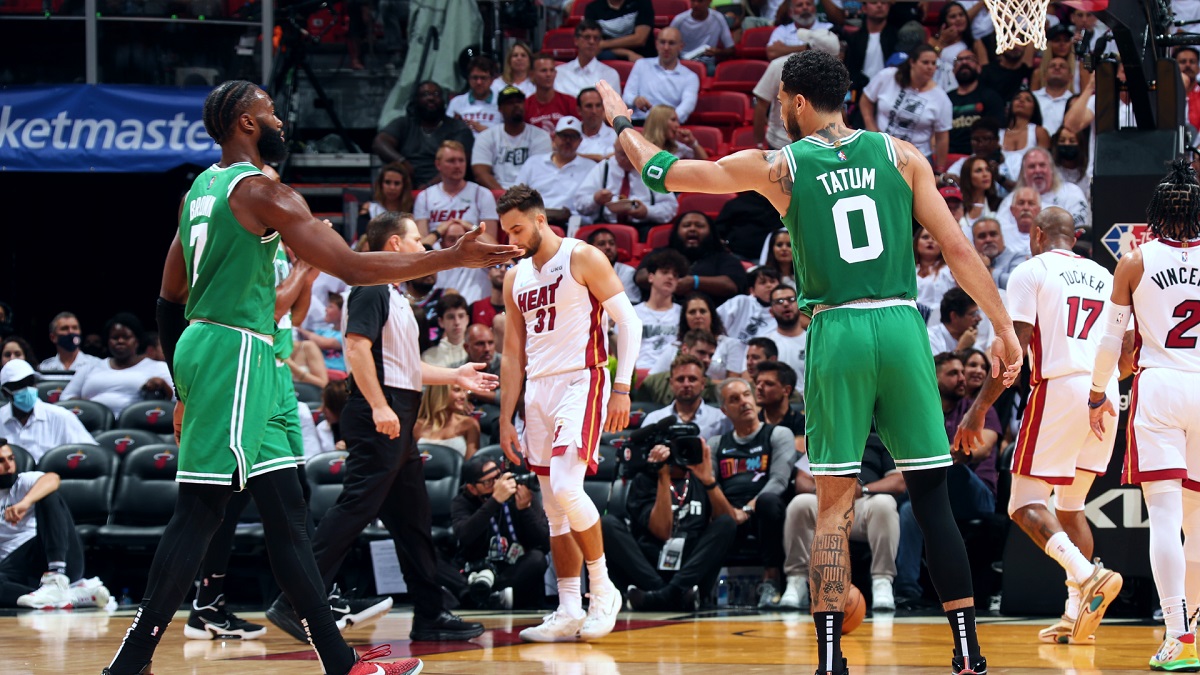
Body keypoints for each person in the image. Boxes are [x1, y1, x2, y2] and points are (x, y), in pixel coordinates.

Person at [593, 48, 1020, 674]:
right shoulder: (902, 156)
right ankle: (968, 653)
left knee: (832, 503)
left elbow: (664, 172)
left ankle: (829, 659)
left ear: (794, 101)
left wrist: (620, 121)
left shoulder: (778, 166)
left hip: (838, 329)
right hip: (902, 323)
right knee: (932, 497)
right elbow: (955, 246)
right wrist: (1003, 328)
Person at [104, 80, 517, 675]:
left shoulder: (199, 192)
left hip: (238, 358)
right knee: (200, 511)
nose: (279, 121)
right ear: (246, 123)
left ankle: (339, 661)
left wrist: (183, 385)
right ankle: (130, 661)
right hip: (235, 351)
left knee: (288, 512)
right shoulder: (263, 191)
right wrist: (449, 258)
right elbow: (350, 265)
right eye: (270, 113)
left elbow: (169, 300)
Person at [267, 212, 495, 645]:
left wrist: (456, 376)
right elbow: (355, 351)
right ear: (393, 245)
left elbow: (405, 367)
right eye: (416, 240)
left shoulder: (393, 293)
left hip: (397, 407)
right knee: (357, 506)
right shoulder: (371, 287)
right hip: (380, 409)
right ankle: (295, 599)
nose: (423, 247)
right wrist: (377, 406)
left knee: (413, 521)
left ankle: (430, 613)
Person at [957, 206, 1129, 645]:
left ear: (1036, 235)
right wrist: (1101, 383)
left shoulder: (1031, 270)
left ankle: (1087, 574)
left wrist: (978, 409)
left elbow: (1015, 348)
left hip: (1061, 388)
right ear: (1074, 238)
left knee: (1022, 503)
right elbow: (1127, 351)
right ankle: (1076, 617)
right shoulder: (1106, 276)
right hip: (1105, 395)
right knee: (1071, 508)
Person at [497, 185, 642, 642]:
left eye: (518, 228)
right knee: (553, 509)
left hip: (584, 377)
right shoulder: (514, 276)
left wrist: (622, 387)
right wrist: (505, 417)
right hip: (537, 389)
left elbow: (630, 322)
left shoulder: (582, 257)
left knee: (565, 486)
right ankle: (567, 609)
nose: (513, 238)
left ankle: (603, 592)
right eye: (506, 231)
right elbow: (511, 352)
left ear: (541, 220)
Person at [1086, 160, 1200, 670]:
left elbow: (1111, 341)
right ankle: (1194, 628)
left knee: (1166, 520)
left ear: (1154, 213)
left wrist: (1095, 393)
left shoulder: (1134, 261)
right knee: (1197, 527)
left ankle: (1178, 637)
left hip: (1159, 388)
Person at [601, 436, 738, 611]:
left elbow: (730, 524)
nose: (678, 455)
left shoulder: (699, 481)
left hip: (690, 574)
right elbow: (662, 531)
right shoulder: (644, 481)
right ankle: (671, 594)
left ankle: (662, 596)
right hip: (649, 569)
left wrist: (709, 481)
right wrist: (663, 476)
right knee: (608, 524)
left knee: (726, 523)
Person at [779, 433, 903, 611]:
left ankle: (882, 581)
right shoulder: (822, 437)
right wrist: (824, 490)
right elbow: (801, 481)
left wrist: (864, 489)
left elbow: (898, 481)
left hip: (863, 502)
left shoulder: (880, 440)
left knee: (884, 503)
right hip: (825, 501)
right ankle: (796, 580)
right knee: (799, 504)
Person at [708, 378, 794, 608]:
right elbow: (711, 483)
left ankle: (771, 579)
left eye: (746, 395)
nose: (744, 402)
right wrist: (730, 511)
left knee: (768, 501)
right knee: (709, 509)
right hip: (729, 510)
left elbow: (779, 480)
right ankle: (701, 585)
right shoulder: (717, 443)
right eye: (734, 399)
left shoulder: (778, 434)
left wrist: (746, 509)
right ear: (724, 410)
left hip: (763, 510)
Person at [0, 440, 110, 610]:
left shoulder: (24, 482)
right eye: (1, 461)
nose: (9, 466)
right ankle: (68, 596)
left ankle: (55, 578)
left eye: (11, 458)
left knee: (48, 495)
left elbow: (52, 479)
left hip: (57, 556)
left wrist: (25, 503)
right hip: (16, 569)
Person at [451, 456, 550, 609]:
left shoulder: (519, 494)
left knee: (537, 559)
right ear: (472, 488)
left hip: (511, 571)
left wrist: (525, 510)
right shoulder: (462, 502)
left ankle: (485, 595)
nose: (498, 485)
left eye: (499, 477)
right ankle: (476, 593)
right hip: (474, 570)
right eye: (488, 482)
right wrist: (495, 501)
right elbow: (465, 536)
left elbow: (544, 544)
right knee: (428, 553)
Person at [861, 44, 954, 174]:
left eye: (934, 63)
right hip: (880, 148)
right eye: (925, 62)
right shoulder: (888, 76)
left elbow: (942, 136)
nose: (930, 67)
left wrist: (939, 169)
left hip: (916, 157)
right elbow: (866, 100)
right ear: (912, 62)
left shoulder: (941, 98)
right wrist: (871, 128)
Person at [61, 313, 174, 418]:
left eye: (126, 337)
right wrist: (86, 408)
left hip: (138, 426)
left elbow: (177, 401)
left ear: (137, 340)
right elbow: (66, 398)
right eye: (115, 338)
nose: (120, 341)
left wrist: (163, 385)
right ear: (108, 341)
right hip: (91, 425)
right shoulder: (90, 367)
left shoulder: (158, 367)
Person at [372, 80, 475, 189]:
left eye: (436, 94)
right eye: (425, 94)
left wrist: (428, 188)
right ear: (416, 100)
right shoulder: (405, 123)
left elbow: (458, 164)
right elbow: (380, 142)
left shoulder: (457, 128)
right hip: (405, 188)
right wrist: (402, 162)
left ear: (443, 101)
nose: (431, 98)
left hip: (444, 187)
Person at [0, 360, 94, 462]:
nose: (27, 389)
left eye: (30, 383)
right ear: (5, 393)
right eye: (20, 385)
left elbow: (91, 454)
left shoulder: (61, 417)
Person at [574, 139, 679, 229]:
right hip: (607, 225)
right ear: (614, 151)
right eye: (623, 154)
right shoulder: (604, 168)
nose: (628, 159)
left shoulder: (652, 170)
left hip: (643, 226)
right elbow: (579, 204)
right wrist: (595, 200)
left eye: (632, 155)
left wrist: (647, 212)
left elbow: (671, 208)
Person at [414, 140, 500, 243]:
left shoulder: (482, 194)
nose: (457, 165)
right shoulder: (425, 197)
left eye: (461, 160)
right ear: (438, 164)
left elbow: (491, 243)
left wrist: (469, 226)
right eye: (451, 161)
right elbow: (421, 245)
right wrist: (439, 232)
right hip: (436, 254)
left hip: (471, 253)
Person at [472, 86, 553, 192]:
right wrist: (504, 197)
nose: (516, 106)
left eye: (519, 102)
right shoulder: (487, 136)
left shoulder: (541, 136)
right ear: (500, 109)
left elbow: (541, 174)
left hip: (531, 194)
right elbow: (480, 172)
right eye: (510, 103)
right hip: (497, 193)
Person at [514, 116, 598, 218]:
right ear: (554, 138)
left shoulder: (590, 168)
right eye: (564, 136)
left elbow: (590, 205)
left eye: (573, 137)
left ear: (580, 141)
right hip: (534, 219)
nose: (568, 141)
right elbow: (516, 194)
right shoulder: (533, 162)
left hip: (571, 223)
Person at [649, 292, 744, 378]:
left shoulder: (731, 345)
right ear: (685, 318)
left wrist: (701, 384)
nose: (698, 316)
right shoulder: (675, 347)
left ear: (712, 315)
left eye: (702, 311)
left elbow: (733, 382)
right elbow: (652, 379)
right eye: (692, 312)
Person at [622, 28, 701, 124]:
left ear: (681, 46)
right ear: (656, 44)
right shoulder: (641, 65)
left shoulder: (690, 77)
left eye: (671, 43)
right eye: (662, 42)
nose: (666, 47)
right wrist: (635, 100)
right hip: (639, 122)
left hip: (668, 126)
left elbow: (687, 106)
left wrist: (668, 120)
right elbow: (627, 95)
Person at [634, 249, 689, 371]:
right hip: (639, 371)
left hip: (673, 374)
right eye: (665, 272)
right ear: (651, 277)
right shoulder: (632, 313)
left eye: (675, 276)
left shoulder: (684, 314)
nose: (670, 277)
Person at [637, 331, 722, 407]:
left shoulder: (712, 389)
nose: (707, 360)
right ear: (685, 349)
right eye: (701, 352)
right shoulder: (653, 383)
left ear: (702, 384)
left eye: (710, 355)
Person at [946, 50, 1004, 157]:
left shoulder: (991, 97)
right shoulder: (945, 99)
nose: (964, 62)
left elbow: (995, 131)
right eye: (959, 60)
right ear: (953, 70)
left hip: (980, 155)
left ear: (979, 68)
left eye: (970, 59)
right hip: (949, 154)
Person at [927, 1, 988, 91]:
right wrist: (942, 42)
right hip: (936, 86)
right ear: (944, 22)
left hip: (965, 88)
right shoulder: (932, 41)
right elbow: (929, 63)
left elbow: (985, 69)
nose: (958, 19)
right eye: (953, 17)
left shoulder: (975, 43)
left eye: (961, 15)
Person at [555, 21, 623, 98]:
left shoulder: (610, 75)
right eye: (587, 37)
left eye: (596, 38)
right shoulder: (559, 73)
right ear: (576, 40)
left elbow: (613, 108)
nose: (591, 42)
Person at [760, 285, 807, 392]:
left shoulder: (816, 341)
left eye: (791, 300)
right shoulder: (764, 344)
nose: (786, 304)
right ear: (771, 312)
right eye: (779, 301)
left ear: (800, 307)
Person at [415, 383, 481, 458]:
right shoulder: (416, 426)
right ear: (440, 393)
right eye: (457, 390)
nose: (463, 396)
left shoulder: (469, 425)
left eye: (465, 391)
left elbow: (471, 466)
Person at [668, 0, 735, 75]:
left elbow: (731, 50)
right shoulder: (679, 20)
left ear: (709, 2)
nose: (696, 4)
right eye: (693, 1)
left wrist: (718, 52)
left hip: (707, 63)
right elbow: (667, 44)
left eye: (700, 1)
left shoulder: (718, 18)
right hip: (683, 61)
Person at [1000, 89, 1052, 183]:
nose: (1021, 101)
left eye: (1028, 100)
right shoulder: (999, 133)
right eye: (1017, 98)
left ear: (1034, 109)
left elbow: (1045, 165)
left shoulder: (1039, 132)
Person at [718, 266, 779, 344]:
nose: (769, 285)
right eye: (763, 282)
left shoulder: (784, 310)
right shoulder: (740, 302)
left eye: (772, 281)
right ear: (752, 290)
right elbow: (715, 323)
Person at [754, 360, 804, 451]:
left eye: (768, 383)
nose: (759, 387)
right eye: (758, 383)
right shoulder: (751, 423)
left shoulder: (802, 424)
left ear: (786, 390)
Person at [525, 53, 580, 135]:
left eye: (551, 70)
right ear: (532, 75)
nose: (548, 74)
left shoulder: (570, 102)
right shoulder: (526, 106)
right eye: (544, 70)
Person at [447, 56, 502, 136]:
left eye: (483, 78)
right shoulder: (456, 102)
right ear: (469, 79)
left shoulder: (502, 102)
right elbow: (447, 132)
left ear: (492, 80)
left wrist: (485, 130)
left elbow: (509, 134)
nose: (479, 82)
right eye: (475, 78)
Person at [585, 0, 655, 61]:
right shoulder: (592, 9)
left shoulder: (642, 2)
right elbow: (595, 45)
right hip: (611, 54)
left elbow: (640, 39)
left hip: (642, 55)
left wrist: (603, 44)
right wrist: (627, 53)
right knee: (604, 55)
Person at [766, 0, 835, 61]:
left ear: (815, 9)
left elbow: (838, 53)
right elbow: (772, 53)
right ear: (790, 12)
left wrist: (786, 49)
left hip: (821, 71)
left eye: (808, 4)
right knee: (776, 64)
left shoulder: (828, 28)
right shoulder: (782, 30)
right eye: (800, 5)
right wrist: (809, 47)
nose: (805, 8)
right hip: (789, 72)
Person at [914, 226, 956, 325]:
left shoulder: (949, 270)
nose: (930, 241)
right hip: (914, 317)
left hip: (940, 320)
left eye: (934, 238)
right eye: (925, 237)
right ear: (916, 242)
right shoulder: (908, 269)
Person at [586, 227, 641, 303]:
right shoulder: (581, 273)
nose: (608, 247)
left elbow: (631, 304)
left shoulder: (627, 272)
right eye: (602, 244)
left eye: (612, 243)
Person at [38, 312, 101, 378]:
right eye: (65, 328)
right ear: (53, 337)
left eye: (75, 328)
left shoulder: (97, 365)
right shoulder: (44, 368)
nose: (71, 332)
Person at [972, 217, 1024, 290]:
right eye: (982, 236)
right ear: (974, 242)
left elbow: (1018, 285)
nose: (988, 240)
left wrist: (988, 270)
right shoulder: (970, 263)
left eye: (993, 234)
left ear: (1002, 237)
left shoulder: (1017, 258)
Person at [422, 293, 471, 367]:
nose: (457, 322)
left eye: (461, 316)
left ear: (467, 319)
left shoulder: (478, 352)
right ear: (441, 322)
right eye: (451, 317)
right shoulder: (428, 357)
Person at [642, 105, 708, 160]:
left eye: (677, 121)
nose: (678, 125)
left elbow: (705, 162)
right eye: (673, 120)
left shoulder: (676, 146)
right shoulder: (639, 145)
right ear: (660, 122)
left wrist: (692, 142)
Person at [1032, 55, 1074, 136]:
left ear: (1070, 77)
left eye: (1062, 66)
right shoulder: (1032, 98)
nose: (1057, 68)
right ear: (1044, 76)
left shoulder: (1075, 102)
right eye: (1052, 66)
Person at [957, 156, 1003, 230]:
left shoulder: (999, 204)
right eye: (978, 171)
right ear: (968, 176)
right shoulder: (958, 204)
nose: (985, 174)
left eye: (987, 170)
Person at [576, 88, 620, 162]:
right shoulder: (570, 134)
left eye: (598, 105)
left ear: (603, 108)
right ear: (579, 110)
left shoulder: (615, 137)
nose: (594, 111)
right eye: (589, 106)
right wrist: (598, 158)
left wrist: (575, 156)